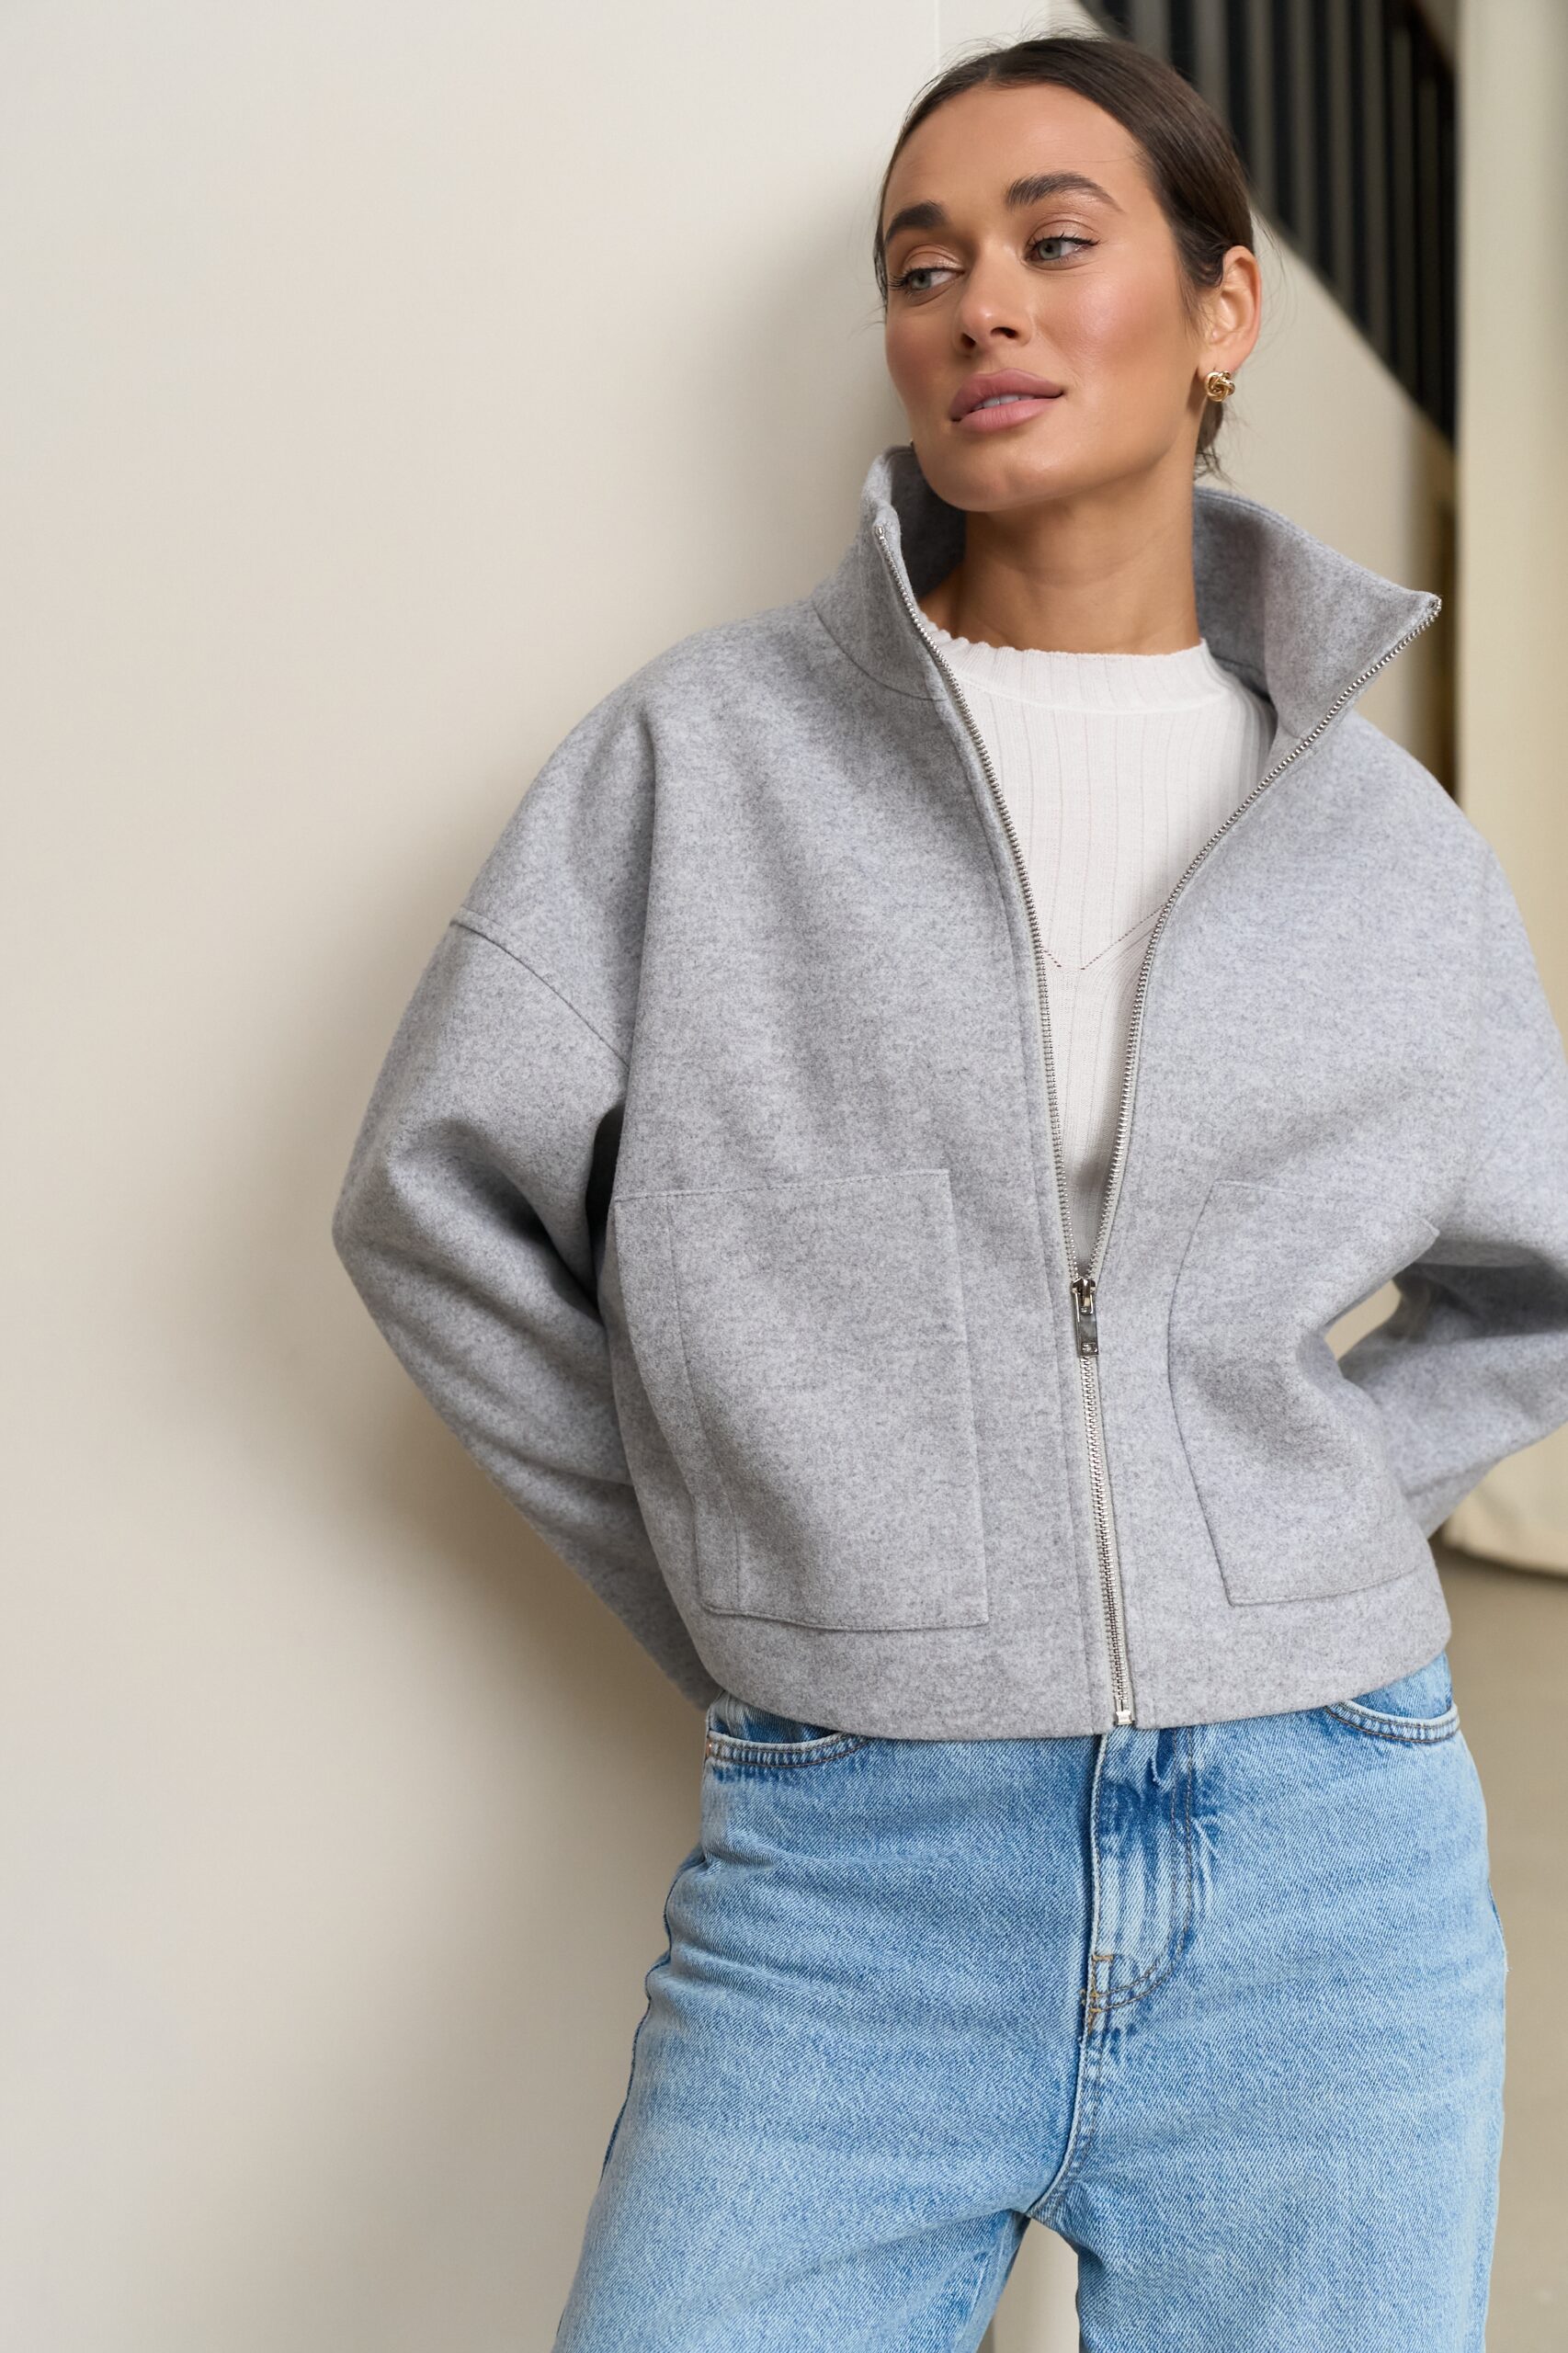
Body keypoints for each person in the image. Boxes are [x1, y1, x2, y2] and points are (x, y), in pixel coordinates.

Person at [331, 33, 1568, 2351]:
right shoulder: (703, 762)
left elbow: (1537, 1276)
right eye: (922, 265)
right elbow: (431, 1198)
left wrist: (1254, 1540)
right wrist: (763, 1559)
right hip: (855, 1865)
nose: (976, 300)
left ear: (1219, 310)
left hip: (1330, 1860)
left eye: (1051, 240)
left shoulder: (1385, 842)